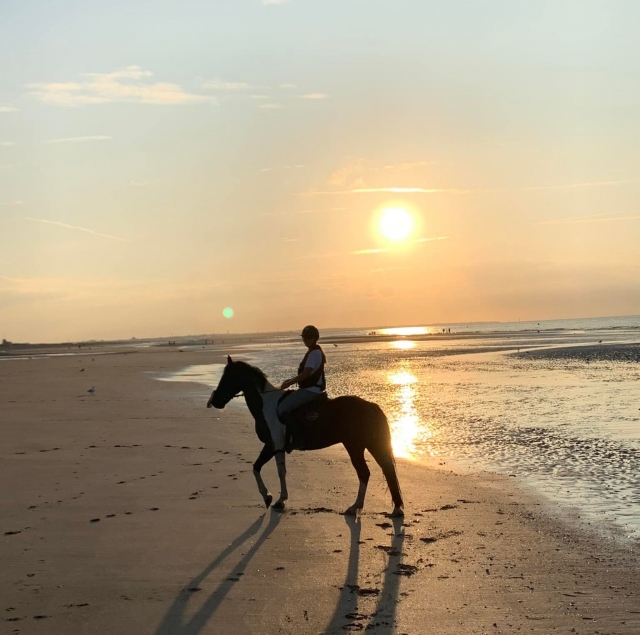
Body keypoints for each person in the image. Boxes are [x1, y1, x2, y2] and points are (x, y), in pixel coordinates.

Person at [278, 325, 326, 420]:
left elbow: (306, 373)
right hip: (311, 389)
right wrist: (291, 380)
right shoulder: (315, 351)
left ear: (315, 338)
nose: (305, 340)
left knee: (281, 409)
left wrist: (289, 383)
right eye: (304, 337)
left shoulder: (314, 353)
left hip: (310, 391)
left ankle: (293, 433)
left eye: (309, 337)